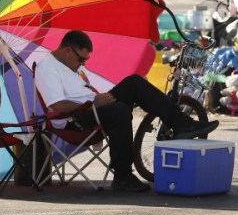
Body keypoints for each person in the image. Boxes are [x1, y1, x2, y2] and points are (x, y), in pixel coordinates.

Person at [35, 30, 219, 192]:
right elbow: (58, 106)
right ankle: (122, 176)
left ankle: (182, 124)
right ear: (68, 51)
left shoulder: (70, 66)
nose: (82, 64)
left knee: (134, 82)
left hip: (93, 106)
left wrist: (98, 99)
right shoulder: (47, 67)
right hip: (75, 119)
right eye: (81, 59)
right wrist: (95, 102)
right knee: (119, 110)